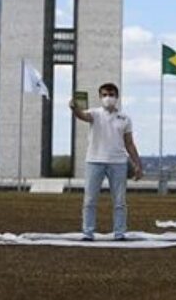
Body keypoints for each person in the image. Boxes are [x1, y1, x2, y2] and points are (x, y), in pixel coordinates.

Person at [69, 82, 142, 241]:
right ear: (100, 97)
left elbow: (129, 143)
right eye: (104, 95)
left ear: (116, 97)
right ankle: (88, 232)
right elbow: (82, 115)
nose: (108, 98)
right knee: (89, 200)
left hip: (118, 163)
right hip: (94, 161)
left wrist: (137, 164)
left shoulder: (125, 118)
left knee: (120, 201)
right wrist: (74, 108)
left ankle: (119, 233)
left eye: (111, 95)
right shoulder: (94, 113)